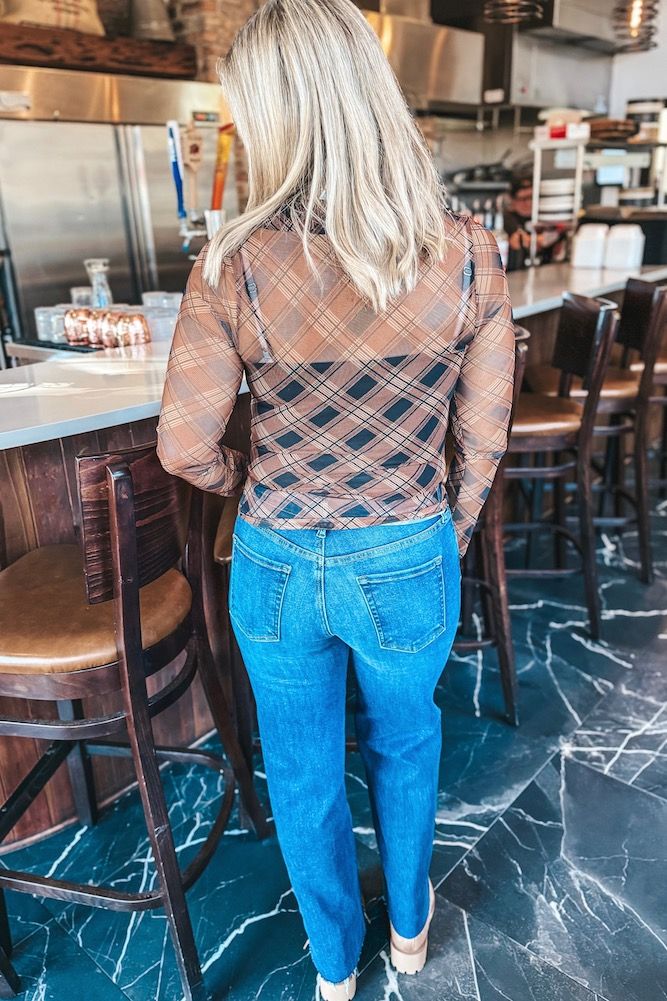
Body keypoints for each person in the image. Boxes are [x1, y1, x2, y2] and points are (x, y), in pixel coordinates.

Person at [155, 0, 515, 997]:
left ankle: (330, 966)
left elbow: (182, 446)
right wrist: (448, 525)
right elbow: (483, 436)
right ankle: (408, 930)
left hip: (276, 557)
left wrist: (249, 483)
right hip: (406, 543)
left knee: (302, 767)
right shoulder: (470, 250)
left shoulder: (231, 265)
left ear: (272, 113)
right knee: (406, 738)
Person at [503, 176, 566, 271]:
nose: (528, 203)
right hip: (517, 271)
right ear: (513, 200)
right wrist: (540, 239)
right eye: (523, 199)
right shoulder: (507, 218)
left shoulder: (545, 216)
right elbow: (519, 241)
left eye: (531, 198)